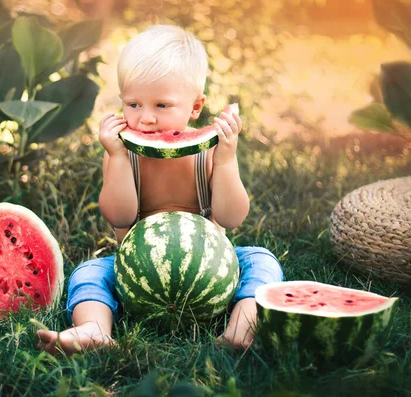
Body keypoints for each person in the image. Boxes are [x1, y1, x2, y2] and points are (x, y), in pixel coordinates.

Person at [36, 24, 283, 355]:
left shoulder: (208, 153)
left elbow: (231, 217)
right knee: (91, 271)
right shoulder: (123, 156)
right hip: (134, 274)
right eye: (133, 104)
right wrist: (118, 158)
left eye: (161, 106)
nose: (145, 119)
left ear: (195, 107)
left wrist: (225, 161)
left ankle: (242, 324)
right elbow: (119, 216)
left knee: (260, 259)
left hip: (212, 273)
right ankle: (94, 328)